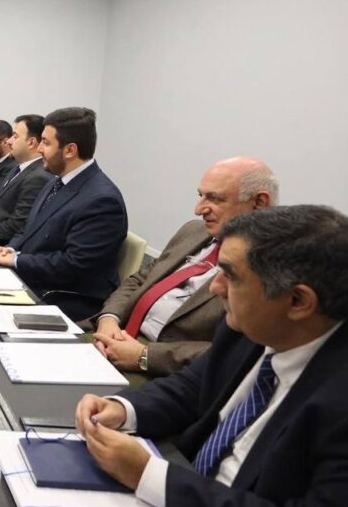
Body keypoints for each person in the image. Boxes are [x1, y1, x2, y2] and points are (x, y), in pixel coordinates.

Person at [75, 205, 348, 507]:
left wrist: (148, 475)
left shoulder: (342, 402)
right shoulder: (250, 326)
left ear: (297, 301)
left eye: (231, 276)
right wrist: (123, 409)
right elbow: (192, 388)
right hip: (184, 495)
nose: (215, 287)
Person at [93, 157, 278, 376]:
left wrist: (145, 356)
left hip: (160, 371)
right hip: (112, 335)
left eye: (214, 198)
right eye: (201, 196)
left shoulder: (270, 269)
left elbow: (236, 352)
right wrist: (109, 319)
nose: (198, 210)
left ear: (259, 203)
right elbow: (139, 279)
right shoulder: (193, 231)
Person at [0, 107, 127, 321]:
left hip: (63, 296)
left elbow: (73, 265)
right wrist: (9, 249)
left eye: (46, 143)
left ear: (70, 150)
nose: (39, 149)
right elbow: (29, 229)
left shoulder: (102, 200)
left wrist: (16, 259)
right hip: (34, 278)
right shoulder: (56, 181)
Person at [0, 114, 52, 245]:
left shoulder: (38, 177)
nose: (9, 141)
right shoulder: (17, 168)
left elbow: (17, 225)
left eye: (15, 136)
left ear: (31, 142)